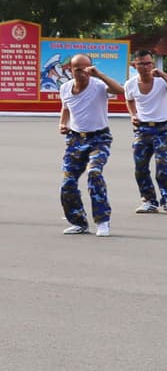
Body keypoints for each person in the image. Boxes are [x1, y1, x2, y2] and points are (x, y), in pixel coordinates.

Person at [57, 54, 123, 236]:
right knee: (67, 183)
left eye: (87, 68)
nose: (83, 72)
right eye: (78, 68)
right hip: (75, 139)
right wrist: (63, 123)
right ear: (70, 70)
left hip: (99, 139)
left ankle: (102, 221)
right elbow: (66, 107)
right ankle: (78, 222)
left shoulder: (99, 85)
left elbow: (120, 90)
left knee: (94, 173)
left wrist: (99, 74)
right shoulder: (65, 88)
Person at [124, 49, 167, 215]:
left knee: (162, 162)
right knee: (140, 165)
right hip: (142, 129)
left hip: (163, 128)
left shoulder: (162, 80)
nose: (146, 67)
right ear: (134, 65)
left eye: (149, 63)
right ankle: (148, 200)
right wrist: (133, 115)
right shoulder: (130, 84)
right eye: (141, 63)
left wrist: (163, 75)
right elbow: (129, 100)